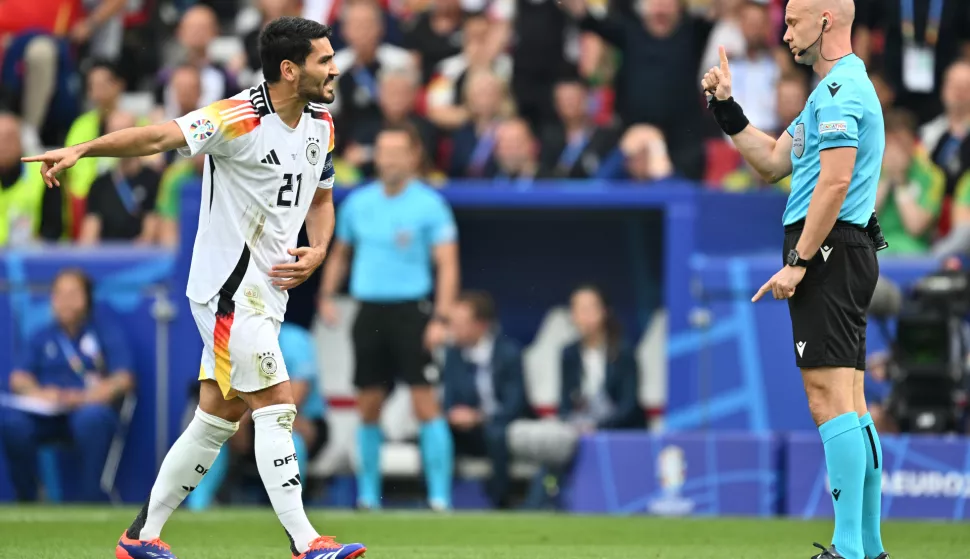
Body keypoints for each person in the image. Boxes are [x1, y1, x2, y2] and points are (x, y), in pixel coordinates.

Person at [22, 16, 366, 559]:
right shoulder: (237, 117)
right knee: (277, 404)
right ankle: (307, 543)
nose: (334, 67)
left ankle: (140, 536)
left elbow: (322, 201)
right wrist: (82, 151)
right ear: (288, 68)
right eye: (323, 59)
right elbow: (159, 136)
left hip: (267, 293)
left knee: (218, 416)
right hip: (229, 292)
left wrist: (319, 250)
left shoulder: (321, 124)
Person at [701, 1, 887, 559]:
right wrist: (726, 107)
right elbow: (773, 161)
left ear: (826, 20)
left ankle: (849, 549)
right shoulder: (826, 93)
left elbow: (834, 184)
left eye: (793, 22)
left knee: (827, 397)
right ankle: (869, 548)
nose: (784, 33)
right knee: (849, 400)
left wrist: (800, 261)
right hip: (840, 249)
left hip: (828, 250)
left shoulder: (841, 92)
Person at [319, 122, 460, 511]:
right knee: (368, 402)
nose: (390, 159)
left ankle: (439, 496)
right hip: (369, 311)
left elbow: (447, 265)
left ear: (414, 156)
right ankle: (368, 495)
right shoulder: (359, 203)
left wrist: (442, 318)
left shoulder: (431, 205)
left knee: (424, 401)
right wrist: (327, 294)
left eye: (398, 151)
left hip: (412, 311)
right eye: (383, 151)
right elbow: (341, 253)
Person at [0, 268, 135, 502]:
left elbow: (123, 379)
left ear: (87, 298)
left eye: (72, 294)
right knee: (12, 422)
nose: (65, 302)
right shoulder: (40, 335)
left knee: (92, 419)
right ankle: (27, 497)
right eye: (59, 294)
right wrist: (40, 393)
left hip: (87, 408)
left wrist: (83, 398)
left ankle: (90, 499)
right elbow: (18, 379)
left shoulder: (105, 333)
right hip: (46, 415)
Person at [185, 322, 330, 509]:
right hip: (250, 418)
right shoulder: (231, 342)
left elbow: (293, 398)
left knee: (290, 437)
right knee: (214, 432)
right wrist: (237, 421)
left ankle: (291, 511)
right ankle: (198, 508)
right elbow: (223, 394)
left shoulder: (296, 340)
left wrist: (245, 418)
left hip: (298, 418)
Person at [442, 290, 529, 509]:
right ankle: (438, 499)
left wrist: (480, 417)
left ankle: (500, 502)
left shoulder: (509, 352)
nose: (453, 330)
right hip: (467, 430)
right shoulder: (453, 354)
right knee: (436, 432)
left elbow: (515, 403)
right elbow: (448, 397)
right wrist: (453, 414)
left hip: (500, 425)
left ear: (481, 325)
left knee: (495, 433)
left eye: (460, 323)